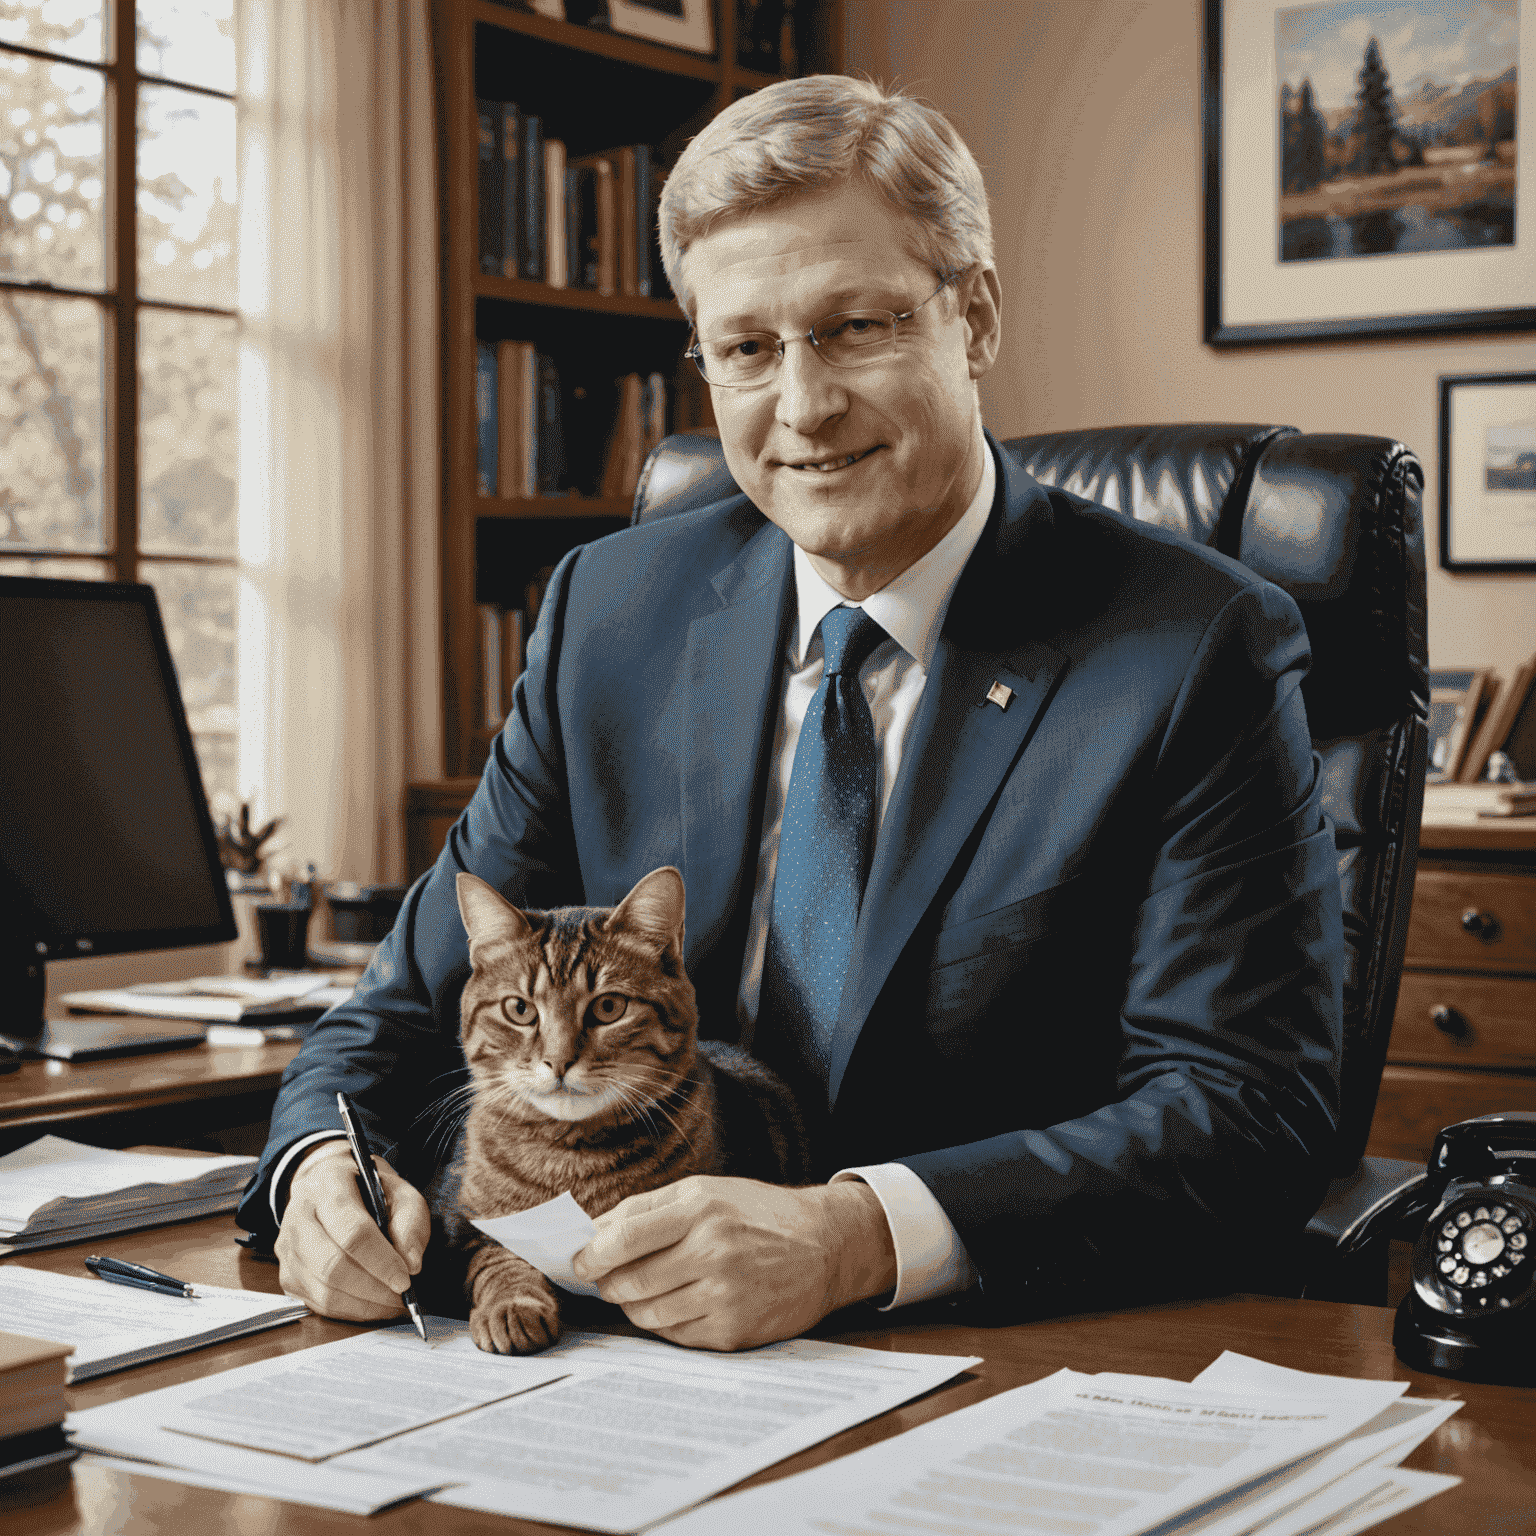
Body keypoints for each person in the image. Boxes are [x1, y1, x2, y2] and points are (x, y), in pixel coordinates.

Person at [238, 75, 1344, 1351]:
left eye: (856, 328)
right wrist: (318, 1167)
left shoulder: (1194, 646)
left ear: (974, 315)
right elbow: (402, 1002)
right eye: (748, 349)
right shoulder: (613, 611)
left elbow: (1243, 1108)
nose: (803, 406)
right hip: (609, 1360)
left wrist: (860, 1234)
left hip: (991, 1349)